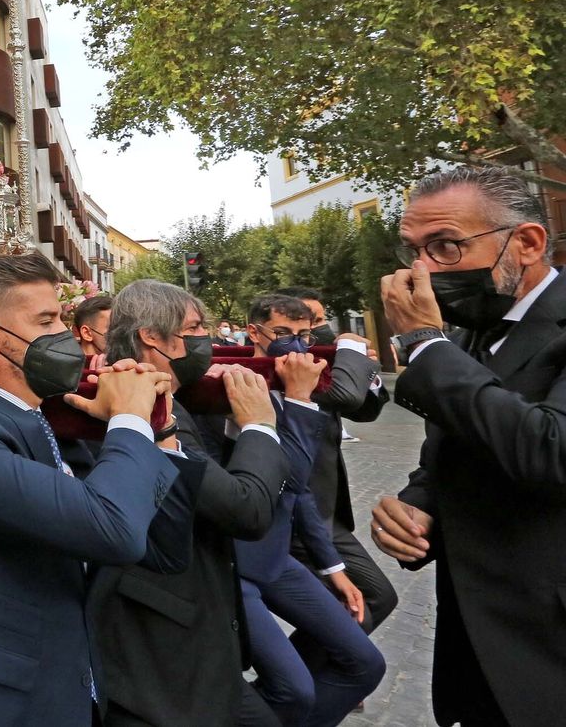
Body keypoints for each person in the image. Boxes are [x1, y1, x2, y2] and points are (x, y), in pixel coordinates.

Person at [0, 255, 188, 727]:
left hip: (68, 688)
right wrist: (130, 420)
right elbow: (114, 530)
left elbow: (164, 549)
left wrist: (158, 430)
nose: (65, 334)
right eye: (46, 320)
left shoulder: (55, 423)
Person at [373, 166, 566, 727]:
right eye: (413, 250)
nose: (423, 270)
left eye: (445, 247)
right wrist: (418, 505)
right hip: (479, 649)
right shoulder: (467, 336)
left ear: (525, 243)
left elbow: (553, 451)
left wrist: (425, 348)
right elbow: (454, 450)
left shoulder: (442, 345)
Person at [89, 279, 288, 727]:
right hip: (165, 648)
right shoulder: (150, 408)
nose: (206, 340)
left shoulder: (179, 397)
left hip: (195, 633)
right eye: (195, 328)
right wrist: (259, 423)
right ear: (151, 337)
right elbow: (246, 508)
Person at [237, 294, 383, 727]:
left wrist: (332, 566)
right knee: (292, 689)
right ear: (254, 332)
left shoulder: (299, 380)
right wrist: (300, 400)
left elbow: (297, 490)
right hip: (234, 561)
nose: (295, 346)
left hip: (280, 552)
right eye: (282, 334)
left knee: (365, 662)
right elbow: (282, 474)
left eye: (303, 335)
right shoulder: (227, 387)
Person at [271, 285, 398, 637]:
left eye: (320, 321)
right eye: (308, 323)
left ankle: (323, 675)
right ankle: (328, 678)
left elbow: (365, 409)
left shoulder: (326, 362)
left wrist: (365, 370)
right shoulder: (284, 368)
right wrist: (352, 359)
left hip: (327, 510)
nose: (318, 331)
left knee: (377, 598)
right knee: (353, 614)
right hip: (295, 512)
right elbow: (344, 394)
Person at [74, 293, 114, 364]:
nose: (119, 334)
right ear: (86, 333)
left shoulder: (119, 364)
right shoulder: (70, 371)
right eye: (112, 329)